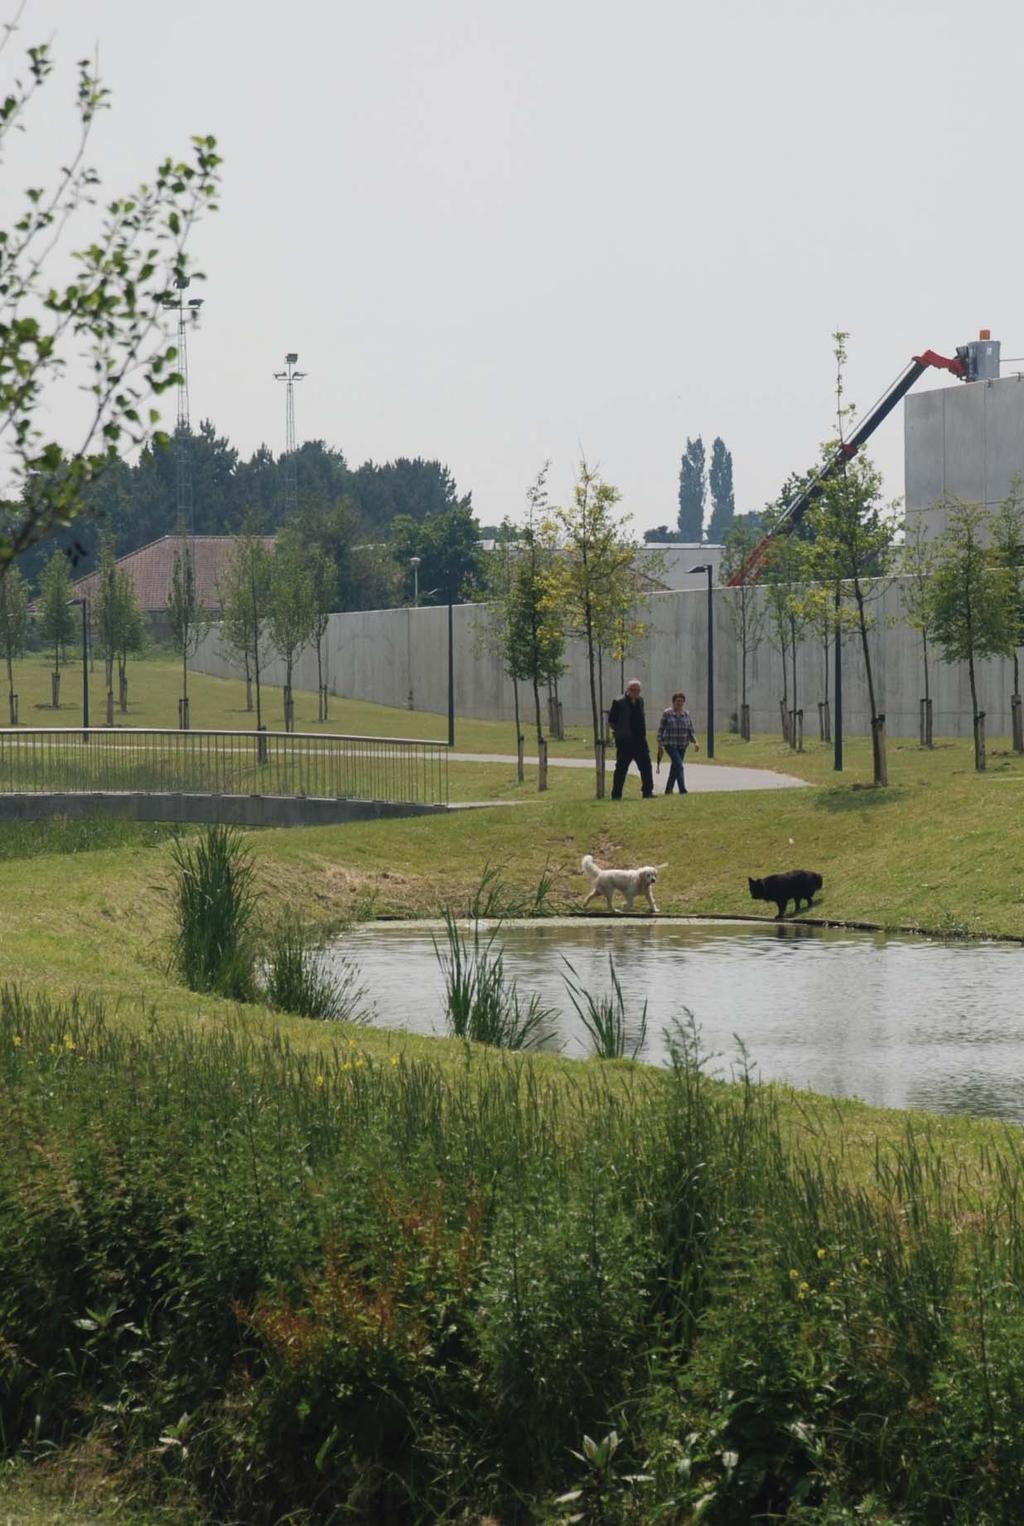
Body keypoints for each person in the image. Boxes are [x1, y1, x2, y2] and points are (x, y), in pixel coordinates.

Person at [607, 678, 654, 799]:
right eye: (633, 690)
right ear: (628, 690)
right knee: (621, 769)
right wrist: (620, 731)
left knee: (646, 767)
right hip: (625, 741)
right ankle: (616, 794)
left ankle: (647, 792)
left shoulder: (640, 701)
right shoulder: (619, 702)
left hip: (640, 741)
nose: (636, 692)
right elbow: (611, 721)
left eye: (638, 690)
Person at [657, 691, 699, 795]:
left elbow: (690, 730)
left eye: (681, 701)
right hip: (670, 744)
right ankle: (682, 790)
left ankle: (668, 790)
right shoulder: (667, 713)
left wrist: (696, 742)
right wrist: (660, 744)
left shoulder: (686, 714)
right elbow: (661, 729)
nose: (679, 703)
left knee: (675, 767)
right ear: (673, 702)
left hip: (682, 745)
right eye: (677, 701)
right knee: (679, 766)